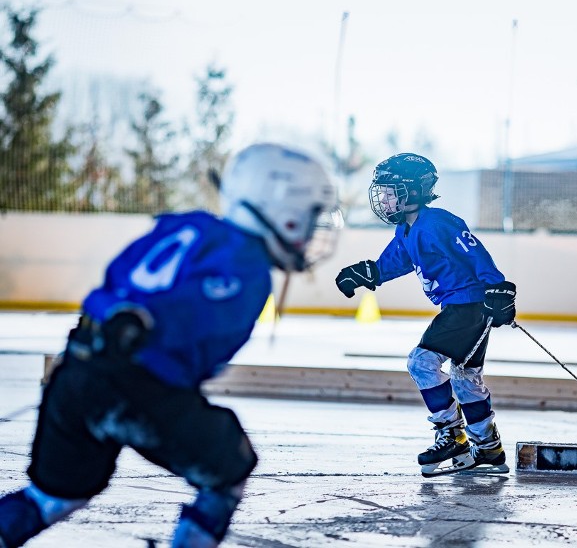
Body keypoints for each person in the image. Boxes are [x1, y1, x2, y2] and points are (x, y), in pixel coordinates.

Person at [0, 143, 339, 548]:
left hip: (77, 370)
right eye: (311, 215)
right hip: (141, 388)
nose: (313, 229)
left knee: (55, 495)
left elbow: (115, 286)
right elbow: (186, 316)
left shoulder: (185, 227)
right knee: (230, 469)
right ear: (285, 211)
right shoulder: (247, 264)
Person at [335, 153, 516, 477]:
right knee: (464, 377)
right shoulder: (407, 231)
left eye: (392, 191)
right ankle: (487, 446)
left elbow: (474, 252)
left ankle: (452, 434)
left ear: (413, 191)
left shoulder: (438, 223)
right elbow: (394, 262)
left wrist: (497, 288)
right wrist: (366, 273)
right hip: (461, 308)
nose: (385, 199)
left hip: (469, 306)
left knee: (421, 362)